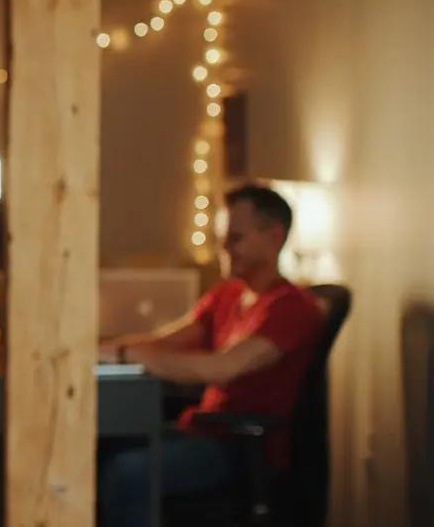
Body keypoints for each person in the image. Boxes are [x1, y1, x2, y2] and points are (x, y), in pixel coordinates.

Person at [98, 184, 324, 527]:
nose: (224, 248)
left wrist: (129, 353)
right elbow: (166, 342)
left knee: (127, 473)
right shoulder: (227, 294)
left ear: (274, 237)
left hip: (240, 446)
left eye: (236, 238)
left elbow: (223, 368)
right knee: (101, 447)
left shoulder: (292, 308)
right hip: (201, 430)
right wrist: (104, 349)